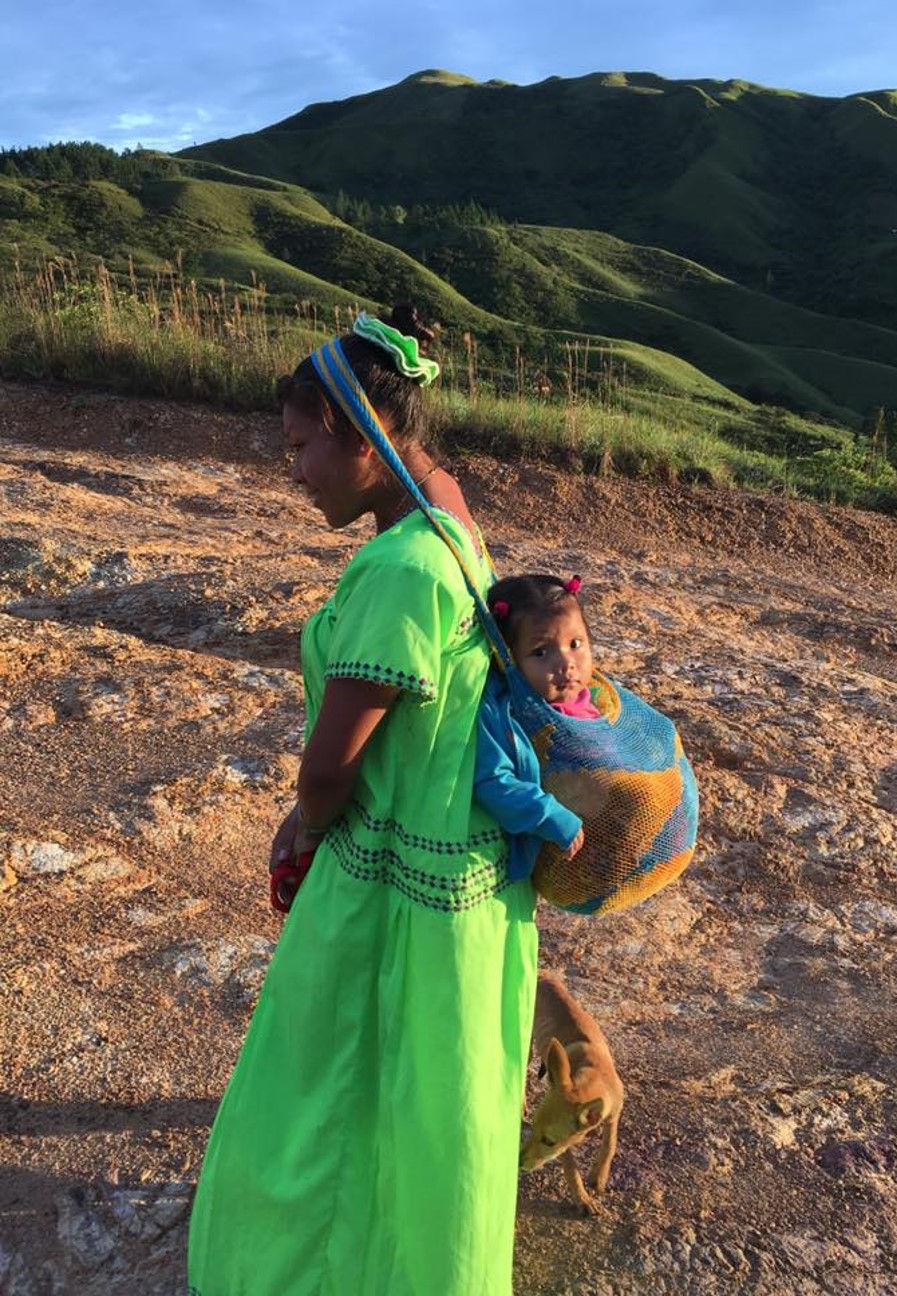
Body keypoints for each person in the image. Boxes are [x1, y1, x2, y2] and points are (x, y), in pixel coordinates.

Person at [187, 305, 538, 1296]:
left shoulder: (398, 573)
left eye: (300, 447)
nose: (291, 471)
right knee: (428, 1096)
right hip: (457, 872)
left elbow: (333, 765)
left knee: (322, 1085)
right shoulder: (447, 519)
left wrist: (300, 827)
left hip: (383, 882)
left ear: (354, 436)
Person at [474, 573, 602, 883]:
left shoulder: (593, 696)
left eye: (575, 643)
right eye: (541, 652)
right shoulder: (503, 715)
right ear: (508, 660)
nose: (566, 664)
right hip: (539, 849)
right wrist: (552, 817)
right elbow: (493, 781)